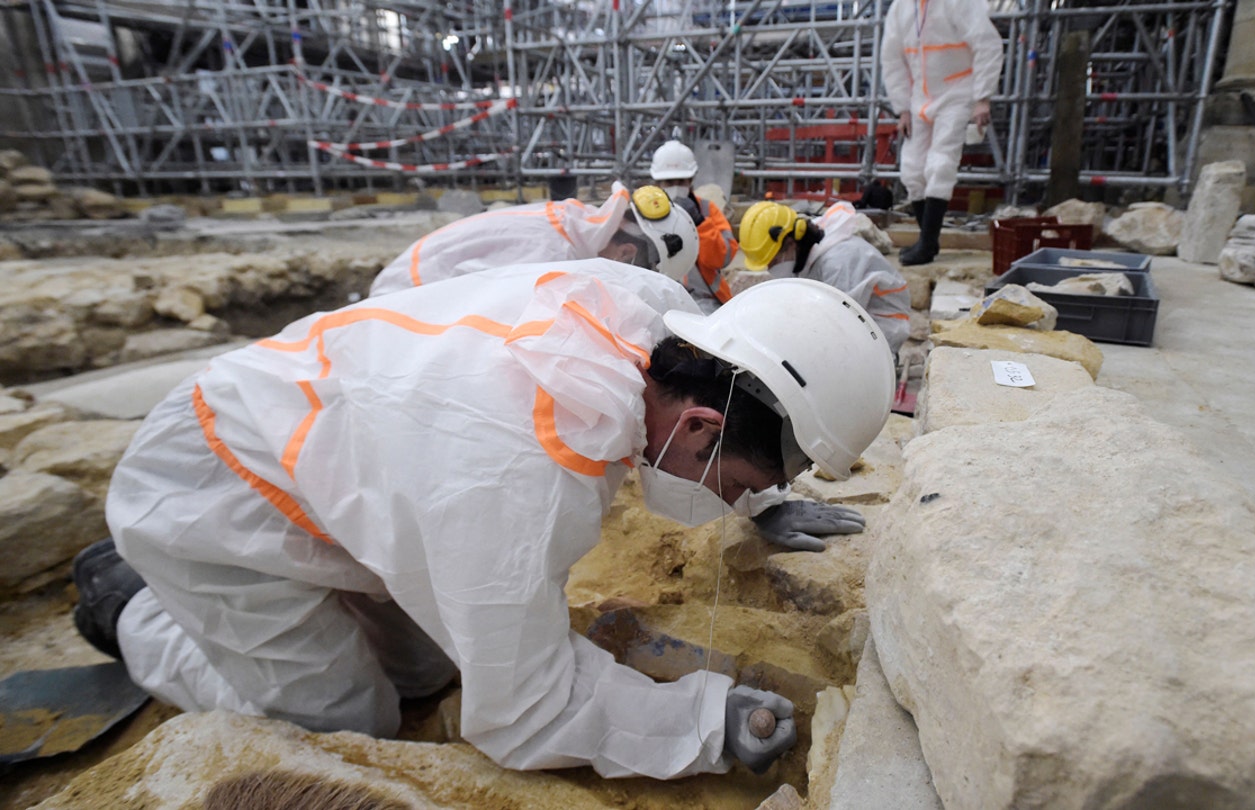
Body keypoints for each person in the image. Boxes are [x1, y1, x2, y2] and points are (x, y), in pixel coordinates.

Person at [70, 258, 897, 780]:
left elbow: (747, 404)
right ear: (703, 430)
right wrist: (698, 724)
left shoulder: (655, 319)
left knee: (429, 674)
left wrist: (768, 500)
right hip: (217, 490)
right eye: (740, 482)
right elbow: (522, 712)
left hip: (347, 450)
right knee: (350, 720)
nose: (735, 499)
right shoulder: (515, 474)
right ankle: (132, 608)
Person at [367, 185, 700, 297]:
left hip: (411, 292)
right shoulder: (554, 256)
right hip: (400, 304)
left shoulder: (570, 225)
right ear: (627, 254)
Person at [880, 0, 1002, 266]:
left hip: (957, 90)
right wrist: (902, 108)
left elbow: (987, 44)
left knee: (940, 164)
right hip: (920, 97)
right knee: (912, 170)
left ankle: (926, 244)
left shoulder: (958, 3)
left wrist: (982, 97)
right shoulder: (902, 9)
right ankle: (928, 241)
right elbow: (892, 59)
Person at [737, 200, 911, 357]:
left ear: (790, 243)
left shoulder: (838, 263)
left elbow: (837, 326)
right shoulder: (807, 251)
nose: (770, 268)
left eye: (772, 260)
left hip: (879, 331)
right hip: (849, 323)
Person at [650, 140, 741, 313]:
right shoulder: (645, 216)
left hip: (705, 299)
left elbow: (723, 258)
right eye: (669, 182)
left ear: (691, 180)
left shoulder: (707, 210)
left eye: (681, 181)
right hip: (661, 298)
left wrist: (699, 222)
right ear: (657, 183)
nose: (675, 187)